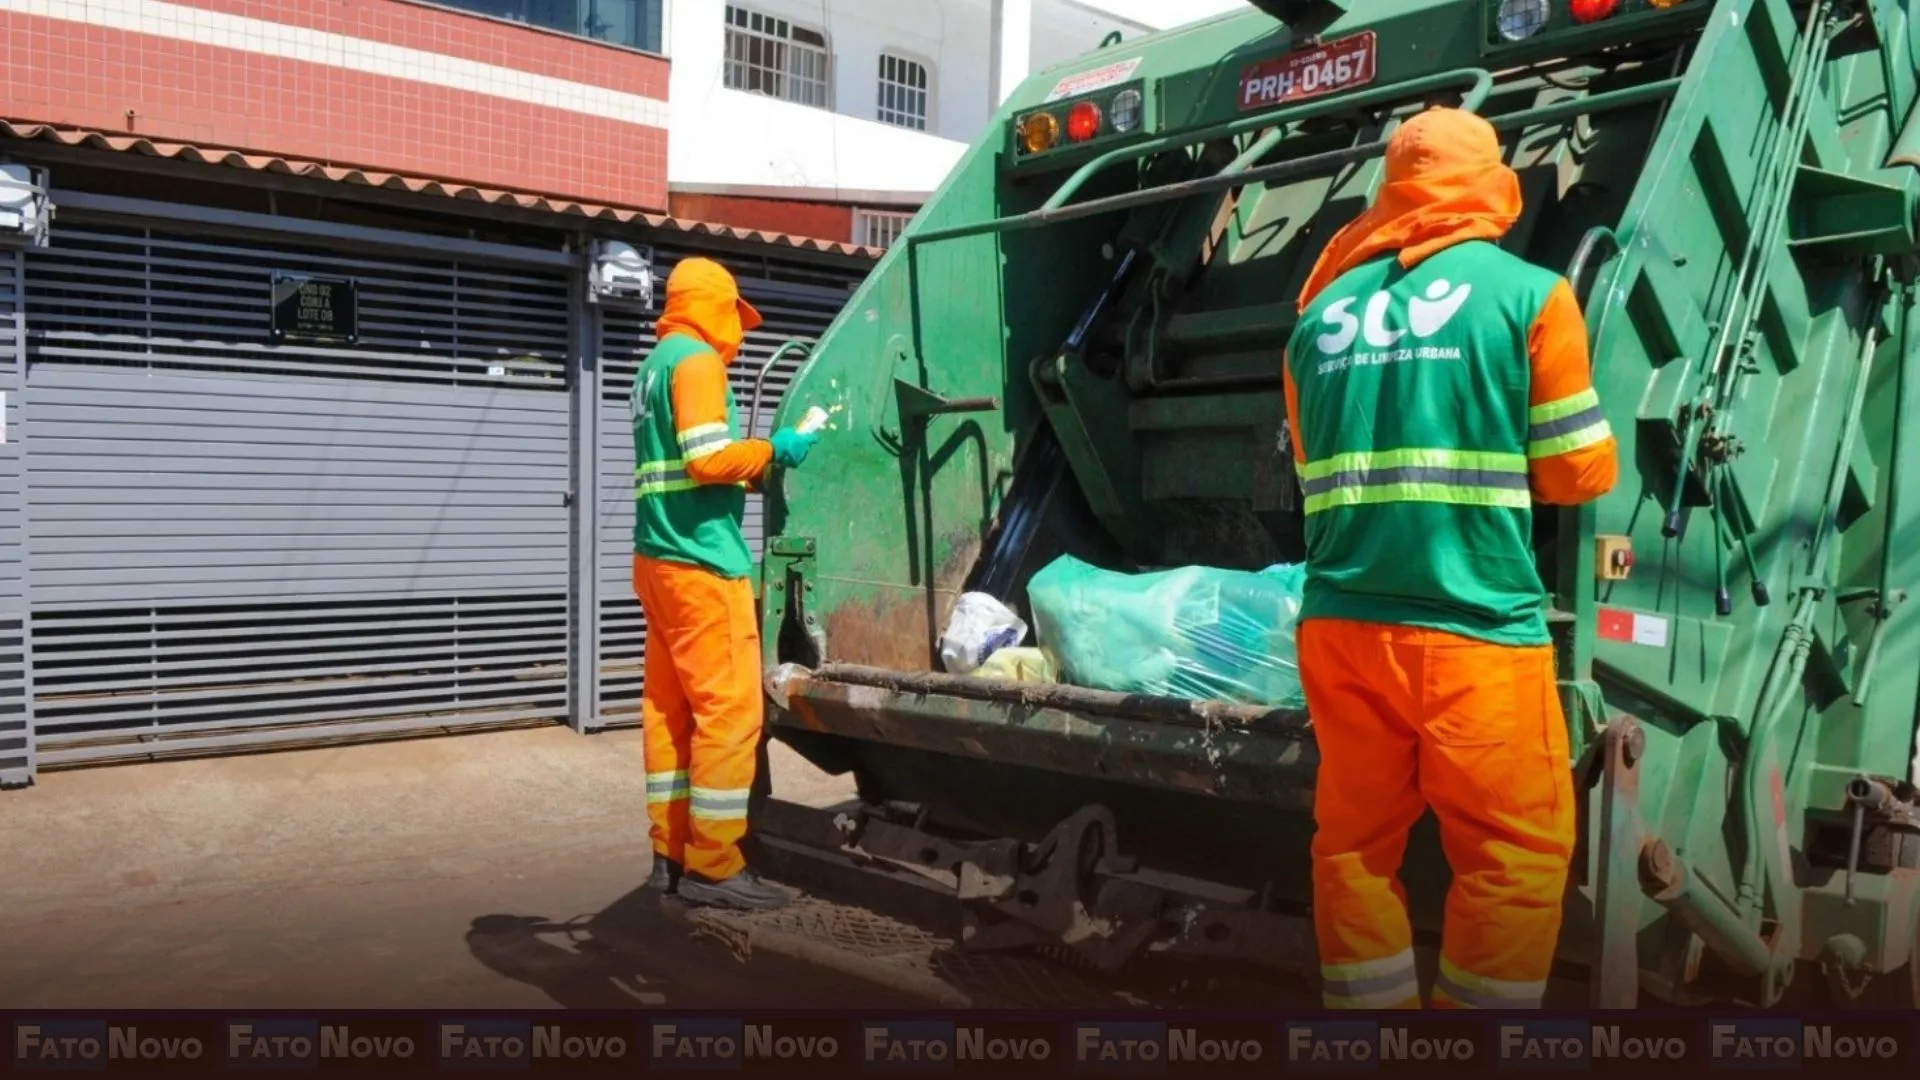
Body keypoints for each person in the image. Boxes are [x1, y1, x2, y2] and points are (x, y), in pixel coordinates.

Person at [1280, 107, 1619, 1009]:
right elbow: (1579, 473)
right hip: (1473, 634)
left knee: (1351, 847)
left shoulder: (1315, 322)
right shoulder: (1532, 296)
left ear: (1388, 194)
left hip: (1343, 631)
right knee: (1513, 857)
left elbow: (1318, 469)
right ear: (1493, 185)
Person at [631, 256, 819, 910]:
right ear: (716, 307)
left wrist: (748, 470)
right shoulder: (699, 363)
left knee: (668, 712)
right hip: (703, 563)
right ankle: (715, 865)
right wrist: (778, 450)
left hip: (656, 561)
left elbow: (680, 467)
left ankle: (669, 855)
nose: (737, 336)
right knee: (730, 713)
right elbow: (707, 458)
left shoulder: (653, 367)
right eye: (733, 317)